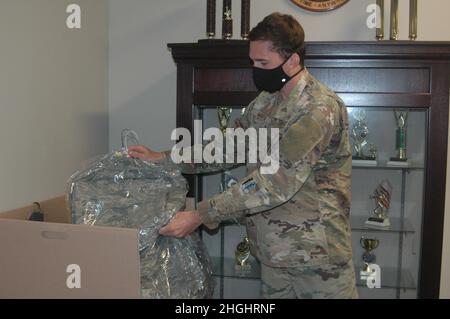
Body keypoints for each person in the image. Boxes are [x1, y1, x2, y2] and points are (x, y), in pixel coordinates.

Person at [129, 12, 357, 299]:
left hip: (317, 259)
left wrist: (200, 214)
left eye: (263, 63)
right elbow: (228, 147)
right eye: (253, 61)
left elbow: (275, 182)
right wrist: (164, 157)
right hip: (274, 252)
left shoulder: (317, 109)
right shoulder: (265, 102)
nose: (256, 70)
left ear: (293, 60)